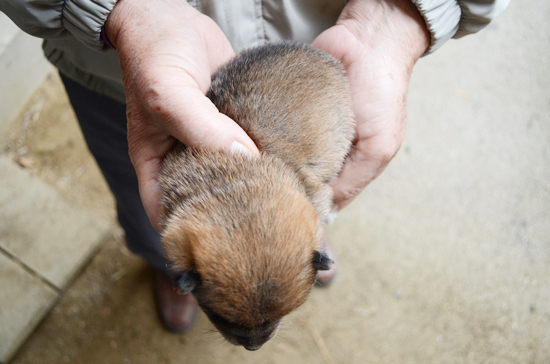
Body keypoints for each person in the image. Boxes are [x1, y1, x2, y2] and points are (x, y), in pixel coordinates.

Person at [1, 0, 510, 332]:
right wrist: (117, 9)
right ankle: (167, 266)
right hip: (122, 75)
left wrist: (400, 16)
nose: (253, 345)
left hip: (322, 36)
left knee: (302, 212)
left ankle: (290, 246)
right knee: (139, 195)